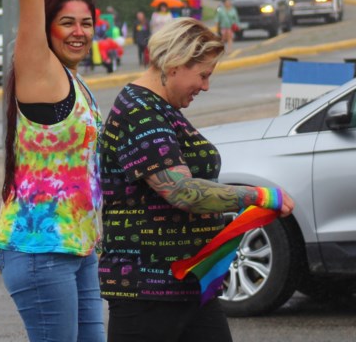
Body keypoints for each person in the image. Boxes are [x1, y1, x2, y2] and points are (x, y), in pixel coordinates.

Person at [98, 18, 294, 342]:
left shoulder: (161, 108)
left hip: (186, 283)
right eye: (203, 75)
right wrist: (257, 196)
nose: (205, 86)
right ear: (175, 64)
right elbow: (182, 191)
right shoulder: (140, 112)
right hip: (148, 291)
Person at [0, 0, 106, 342]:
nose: (78, 32)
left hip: (78, 246)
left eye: (85, 23)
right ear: (47, 30)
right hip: (39, 248)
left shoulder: (76, 84)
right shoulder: (39, 73)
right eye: (67, 23)